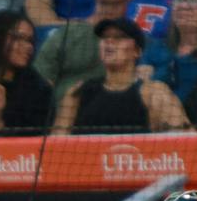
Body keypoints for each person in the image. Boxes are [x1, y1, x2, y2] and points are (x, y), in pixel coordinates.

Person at [52, 16, 189, 134]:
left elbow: (184, 140)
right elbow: (56, 144)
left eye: (119, 37)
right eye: (105, 37)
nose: (109, 41)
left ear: (137, 51)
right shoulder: (78, 92)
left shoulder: (154, 93)